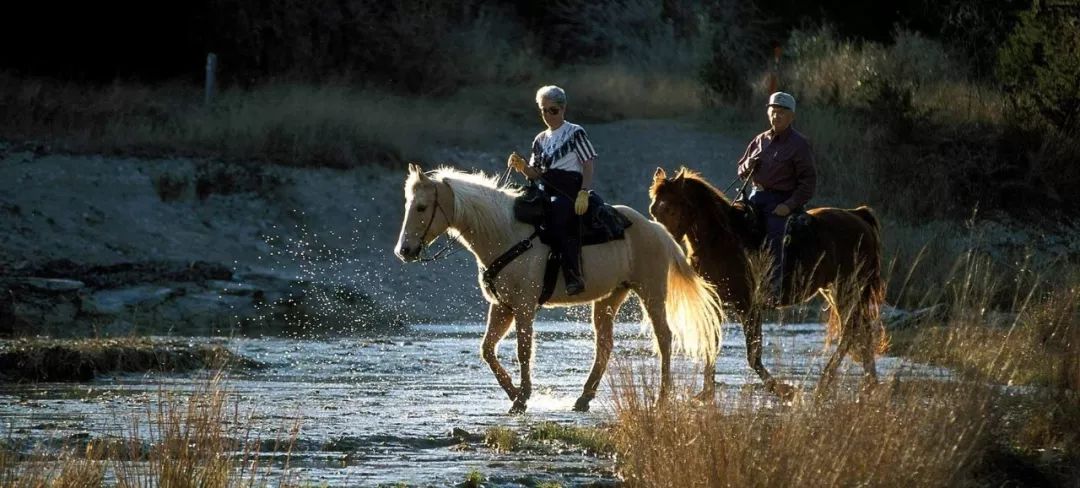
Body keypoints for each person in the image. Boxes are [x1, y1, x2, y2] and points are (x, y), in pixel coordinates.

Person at [507, 85, 598, 296]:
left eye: (553, 110)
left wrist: (583, 191)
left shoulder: (575, 132)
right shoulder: (539, 139)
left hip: (569, 187)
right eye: (543, 110)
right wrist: (522, 168)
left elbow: (588, 163)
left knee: (558, 214)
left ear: (563, 108)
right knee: (517, 209)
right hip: (544, 186)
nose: (548, 115)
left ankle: (573, 274)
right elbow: (535, 173)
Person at [735, 91, 817, 302]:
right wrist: (748, 165)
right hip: (755, 197)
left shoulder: (799, 144)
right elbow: (740, 169)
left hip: (781, 201)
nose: (776, 116)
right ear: (768, 113)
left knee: (773, 238)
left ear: (791, 117)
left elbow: (808, 182)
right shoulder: (760, 139)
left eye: (782, 113)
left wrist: (788, 206)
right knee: (731, 226)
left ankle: (773, 291)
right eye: (773, 111)